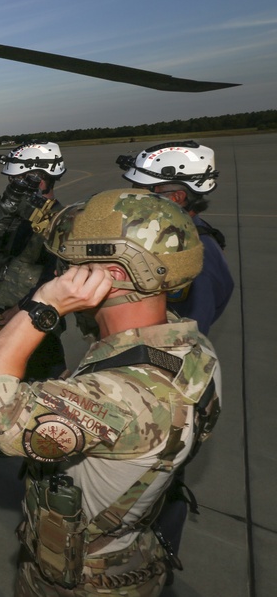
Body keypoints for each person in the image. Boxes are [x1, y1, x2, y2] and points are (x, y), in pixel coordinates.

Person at [0, 189, 220, 596]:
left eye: (72, 261)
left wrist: (42, 307)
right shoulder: (188, 347)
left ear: (114, 274)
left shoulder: (121, 395)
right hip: (130, 552)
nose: (60, 271)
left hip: (79, 581)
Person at [118, 141, 234, 578]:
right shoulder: (171, 244)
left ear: (177, 197)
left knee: (159, 487)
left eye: (146, 192)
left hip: (164, 390)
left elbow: (187, 334)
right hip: (141, 375)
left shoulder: (198, 256)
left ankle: (152, 567)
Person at [0, 142, 68, 459]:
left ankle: (45, 444)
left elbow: (57, 280)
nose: (11, 188)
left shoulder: (61, 223)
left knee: (41, 386)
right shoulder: (9, 216)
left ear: (41, 180)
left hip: (32, 324)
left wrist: (18, 314)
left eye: (17, 181)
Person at [118, 141, 234, 336]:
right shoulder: (176, 234)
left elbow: (186, 338)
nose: (133, 197)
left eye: (142, 189)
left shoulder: (195, 260)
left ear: (176, 198)